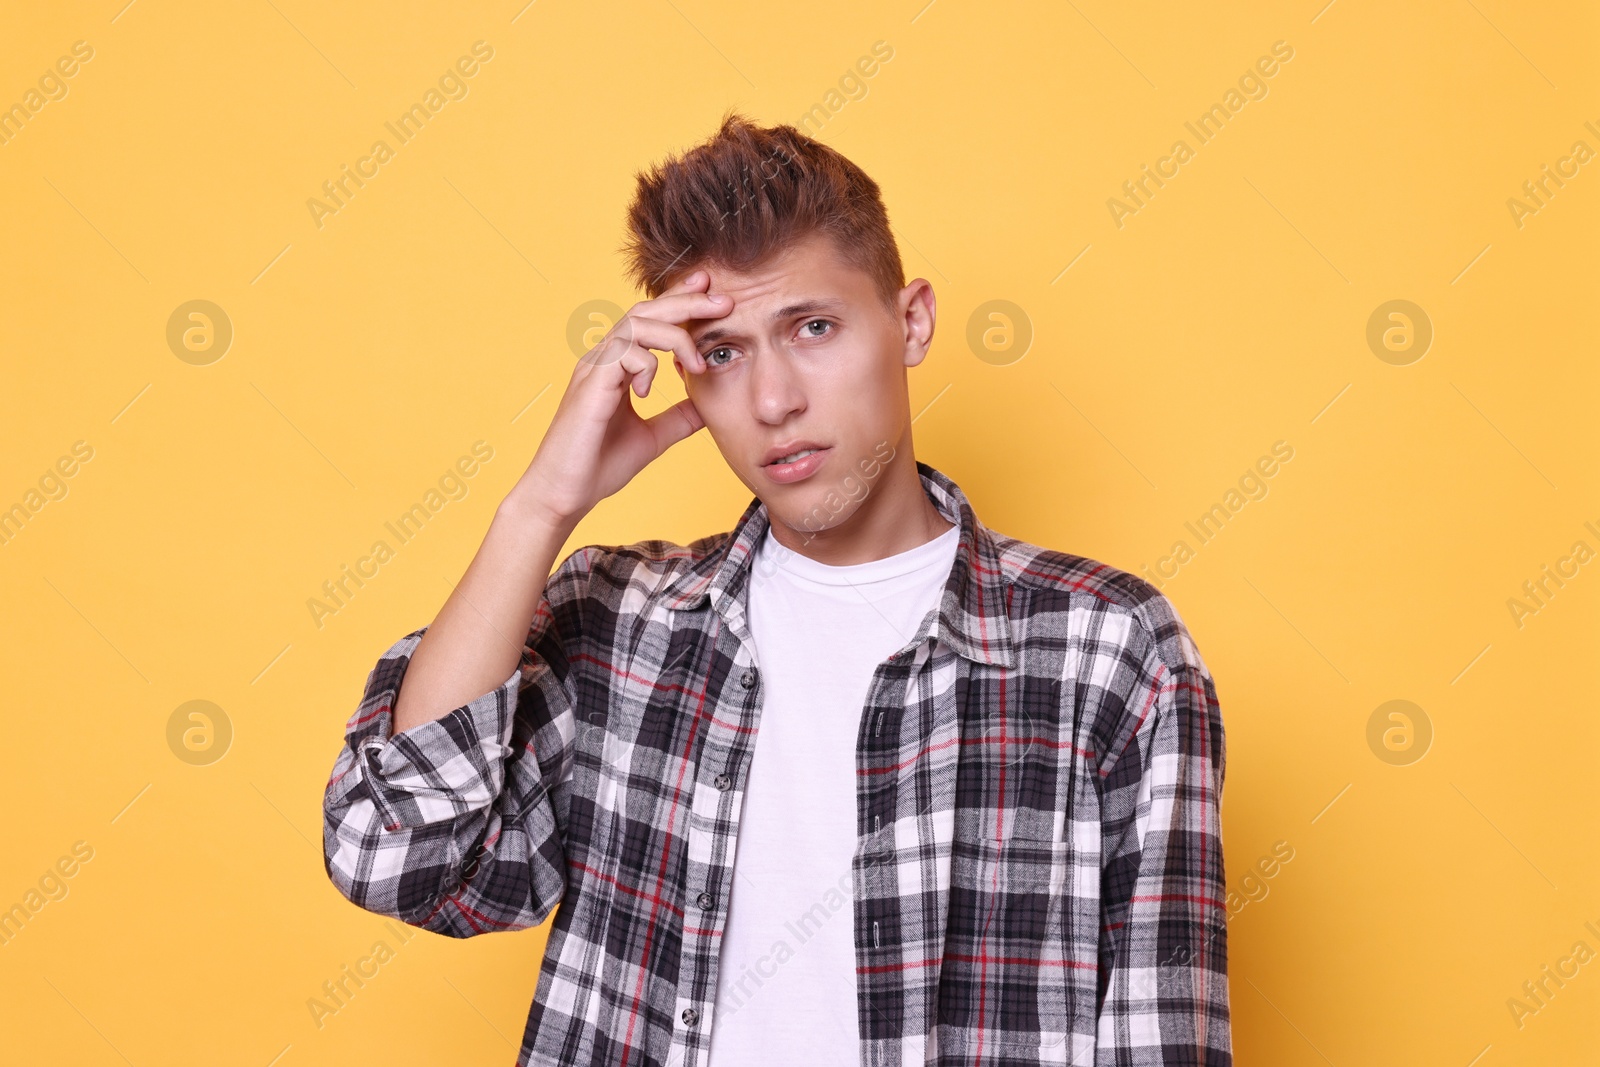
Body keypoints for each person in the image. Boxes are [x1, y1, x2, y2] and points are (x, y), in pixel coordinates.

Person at [321, 111, 1231, 1067]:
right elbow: (396, 857)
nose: (772, 401)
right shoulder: (622, 624)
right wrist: (539, 509)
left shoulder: (1107, 650)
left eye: (813, 327)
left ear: (910, 321)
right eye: (721, 352)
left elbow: (1163, 1035)